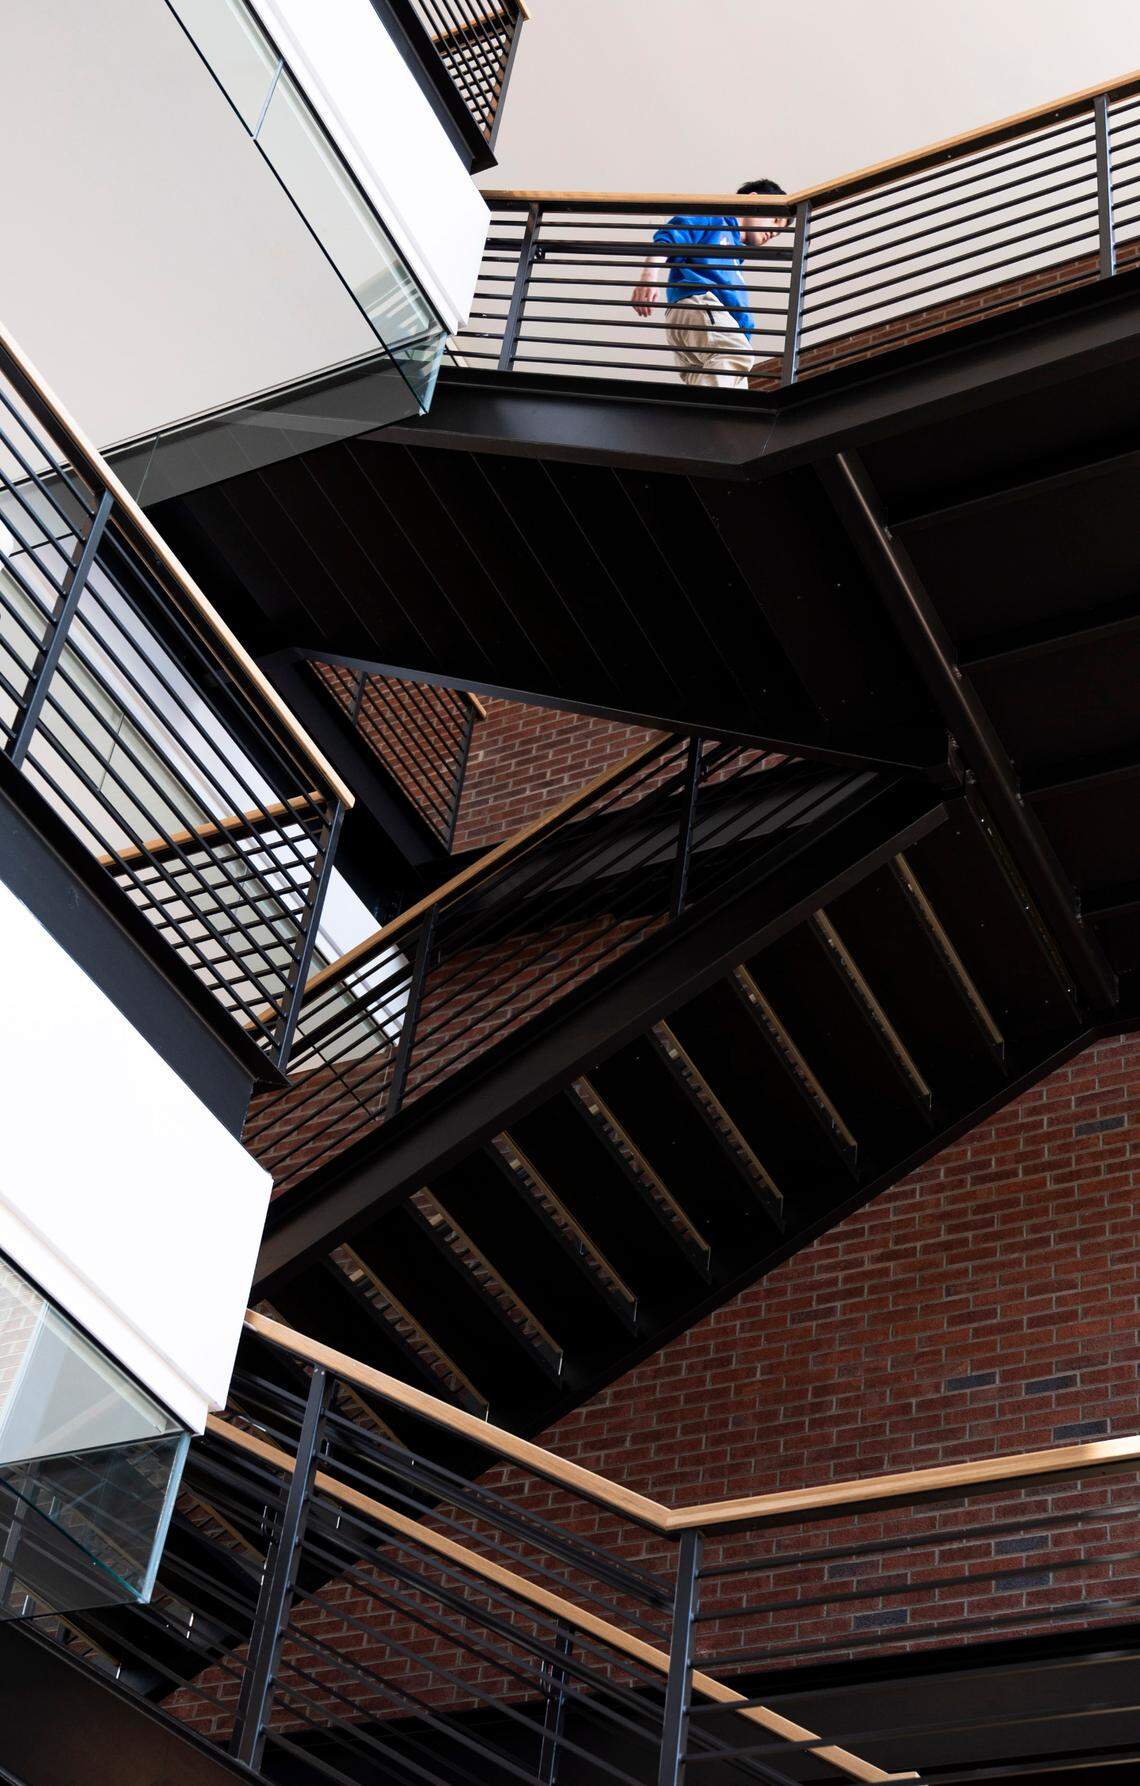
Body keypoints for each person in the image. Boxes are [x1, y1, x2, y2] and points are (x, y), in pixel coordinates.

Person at [631, 179, 786, 389]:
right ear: (754, 199)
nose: (774, 232)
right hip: (699, 305)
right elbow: (671, 236)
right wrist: (649, 276)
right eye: (775, 219)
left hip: (703, 323)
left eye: (779, 231)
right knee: (737, 354)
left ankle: (697, 420)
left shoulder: (734, 258)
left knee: (731, 389)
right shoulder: (715, 218)